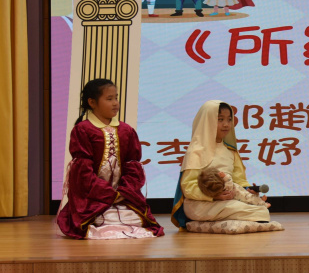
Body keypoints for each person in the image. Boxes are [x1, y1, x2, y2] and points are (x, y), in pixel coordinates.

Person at [56, 79, 163, 239]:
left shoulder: (126, 130)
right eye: (109, 99)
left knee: (134, 218)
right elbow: (83, 173)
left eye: (116, 98)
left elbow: (133, 166)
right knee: (100, 219)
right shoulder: (83, 130)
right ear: (92, 102)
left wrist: (123, 192)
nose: (115, 103)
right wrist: (108, 194)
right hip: (94, 197)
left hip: (123, 196)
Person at [171, 100, 283, 234]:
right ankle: (207, 223)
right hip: (201, 204)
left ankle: (209, 225)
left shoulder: (230, 151)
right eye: (220, 119)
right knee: (256, 213)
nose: (226, 124)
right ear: (207, 121)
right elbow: (188, 187)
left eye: (229, 119)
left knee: (261, 211)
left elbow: (239, 181)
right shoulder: (196, 151)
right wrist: (214, 196)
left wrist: (249, 191)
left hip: (226, 201)